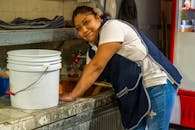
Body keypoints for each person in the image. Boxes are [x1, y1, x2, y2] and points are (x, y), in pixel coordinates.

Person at [60, 5, 182, 130]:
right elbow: (90, 73)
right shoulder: (92, 48)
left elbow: (96, 67)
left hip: (156, 82)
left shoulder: (111, 27)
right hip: (136, 89)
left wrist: (73, 94)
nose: (84, 30)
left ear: (98, 18)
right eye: (79, 28)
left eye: (87, 22)